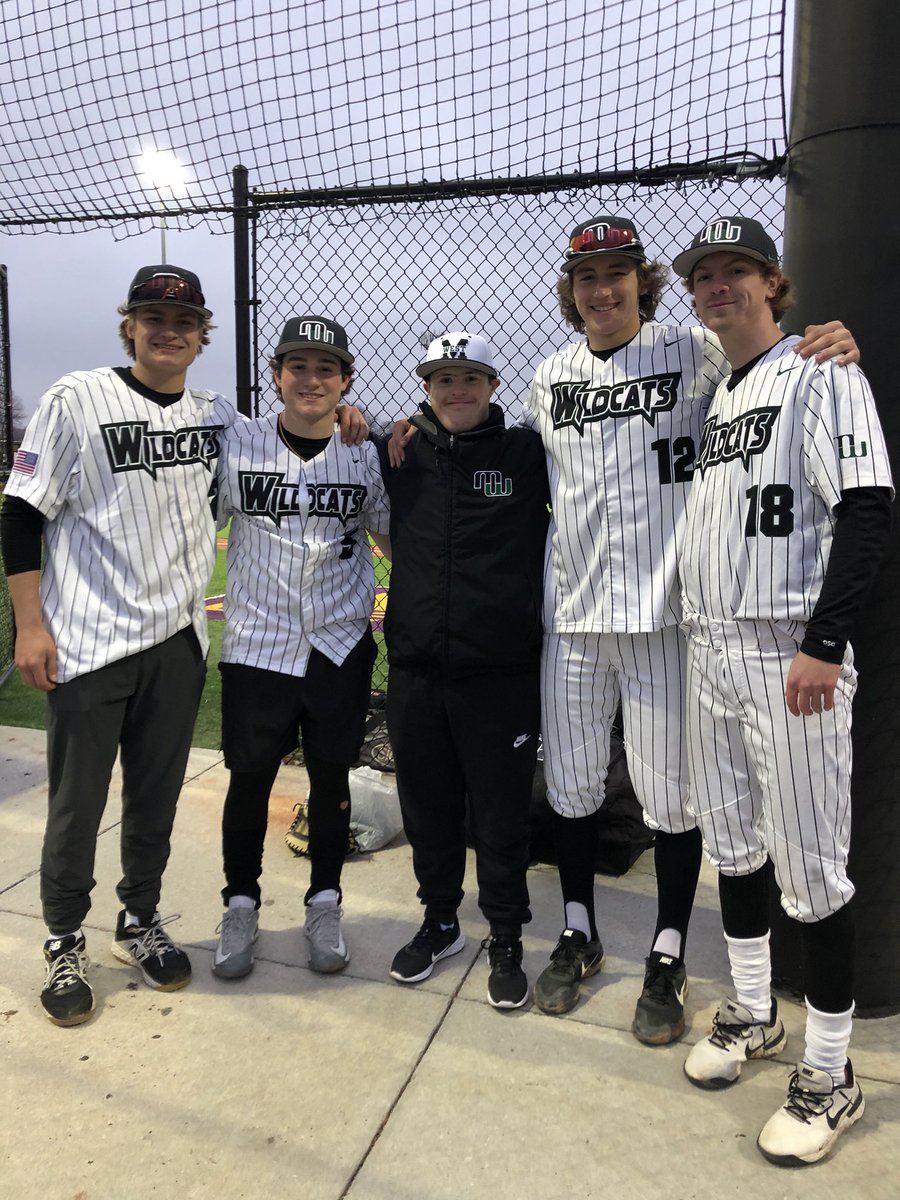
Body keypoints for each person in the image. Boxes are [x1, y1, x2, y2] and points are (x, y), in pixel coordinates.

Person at [522, 214, 859, 1044]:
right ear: (571, 293)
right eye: (586, 278)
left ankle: (668, 949)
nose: (602, 290)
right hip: (571, 617)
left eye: (617, 273)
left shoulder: (693, 349)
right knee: (568, 786)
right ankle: (577, 930)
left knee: (672, 800)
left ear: (643, 280)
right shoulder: (547, 376)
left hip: (665, 615)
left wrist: (829, 337)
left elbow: (765, 356)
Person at [672, 216, 891, 1166]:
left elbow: (869, 510)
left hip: (789, 657)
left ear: (773, 282)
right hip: (712, 653)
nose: (718, 286)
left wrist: (823, 643)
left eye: (736, 272)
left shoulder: (823, 371)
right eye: (704, 276)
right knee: (734, 844)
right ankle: (756, 1013)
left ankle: (833, 1071)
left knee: (812, 869)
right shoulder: (724, 395)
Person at [1, 265, 235, 1026]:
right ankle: (66, 937)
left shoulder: (216, 416)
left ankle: (140, 919)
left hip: (176, 638)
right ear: (128, 325)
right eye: (151, 316)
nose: (168, 329)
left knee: (157, 797)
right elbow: (20, 513)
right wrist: (29, 626)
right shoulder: (75, 399)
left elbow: (289, 438)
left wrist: (355, 416)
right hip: (89, 641)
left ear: (203, 336)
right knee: (76, 803)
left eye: (184, 319)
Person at [210, 315, 390, 980]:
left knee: (331, 780)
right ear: (276, 375)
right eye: (298, 367)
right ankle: (240, 902)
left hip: (339, 645)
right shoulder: (239, 444)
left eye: (326, 369)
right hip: (259, 643)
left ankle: (325, 901)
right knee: (249, 781)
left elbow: (389, 534)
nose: (311, 379)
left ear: (346, 381)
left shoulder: (363, 452)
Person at [381, 332, 550, 1009]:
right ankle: (441, 920)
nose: (456, 390)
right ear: (426, 388)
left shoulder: (527, 454)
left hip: (500, 672)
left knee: (502, 814)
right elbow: (329, 422)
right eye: (443, 379)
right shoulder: (402, 454)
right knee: (428, 807)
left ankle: (506, 934)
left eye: (470, 378)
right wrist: (361, 420)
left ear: (492, 386)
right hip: (418, 668)